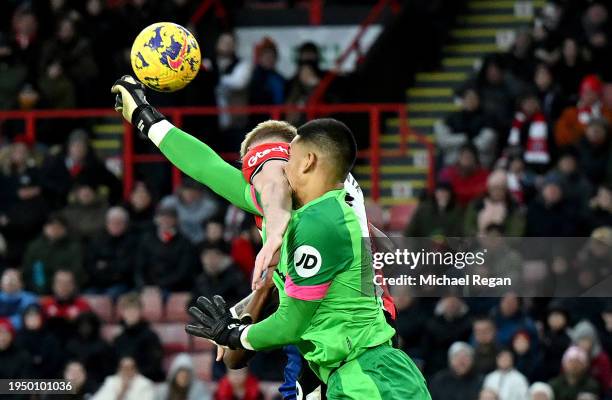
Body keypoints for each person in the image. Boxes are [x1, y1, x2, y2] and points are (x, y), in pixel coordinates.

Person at [111, 76, 398, 399]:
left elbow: (273, 184)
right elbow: (205, 166)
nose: (260, 176)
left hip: (343, 348)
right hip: (346, 338)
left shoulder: (283, 186)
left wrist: (274, 232)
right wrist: (146, 118)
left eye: (257, 167)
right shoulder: (331, 200)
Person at [185, 118, 430, 399]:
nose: (269, 173)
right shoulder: (309, 204)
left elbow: (286, 324)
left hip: (356, 351)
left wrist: (237, 328)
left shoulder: (319, 214)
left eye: (275, 160)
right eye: (254, 168)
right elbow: (206, 167)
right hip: (324, 353)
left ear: (303, 160)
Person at [135, 206, 197, 292]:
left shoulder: (184, 242)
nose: (166, 220)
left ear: (176, 220)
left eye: (170, 217)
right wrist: (143, 285)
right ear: (156, 219)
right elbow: (139, 266)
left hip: (174, 288)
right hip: (148, 286)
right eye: (162, 217)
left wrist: (160, 286)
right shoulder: (147, 239)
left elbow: (183, 271)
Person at [22, 213, 83, 294]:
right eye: (51, 226)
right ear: (45, 228)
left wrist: (61, 280)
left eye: (58, 227)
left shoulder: (73, 247)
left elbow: (77, 269)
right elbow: (28, 269)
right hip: (39, 287)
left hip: (65, 287)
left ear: (65, 229)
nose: (54, 230)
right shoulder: (35, 246)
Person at [434, 87, 496, 167]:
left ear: (479, 100)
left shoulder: (487, 118)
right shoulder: (452, 118)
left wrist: (467, 148)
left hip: (479, 161)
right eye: (468, 98)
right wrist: (464, 139)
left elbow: (485, 142)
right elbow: (443, 140)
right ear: (462, 100)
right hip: (454, 161)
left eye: (474, 98)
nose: (470, 101)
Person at [85, 206, 136, 298]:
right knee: (87, 297)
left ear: (125, 224)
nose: (115, 225)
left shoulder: (131, 242)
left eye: (119, 223)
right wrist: (109, 267)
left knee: (109, 297)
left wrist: (105, 266)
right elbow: (90, 264)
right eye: (112, 222)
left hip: (120, 284)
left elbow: (126, 267)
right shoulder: (97, 240)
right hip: (97, 283)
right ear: (107, 223)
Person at [113, 292, 164, 382]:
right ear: (123, 312)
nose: (131, 313)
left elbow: (155, 365)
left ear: (140, 311)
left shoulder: (151, 337)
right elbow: (113, 365)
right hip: (122, 381)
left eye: (134, 309)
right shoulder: (118, 340)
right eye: (127, 309)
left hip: (145, 381)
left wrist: (134, 373)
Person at [555, 74, 612, 147]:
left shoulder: (607, 112)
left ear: (598, 94)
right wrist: (585, 133)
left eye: (590, 92)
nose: (586, 95)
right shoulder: (570, 112)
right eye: (584, 91)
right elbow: (560, 137)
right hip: (577, 153)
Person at [422, 296, 472, 376]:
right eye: (448, 301)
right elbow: (426, 350)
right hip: (436, 366)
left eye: (454, 301)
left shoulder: (469, 323)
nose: (451, 304)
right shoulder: (432, 323)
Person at [159, 178, 220, 244]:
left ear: (200, 192)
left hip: (201, 242)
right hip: (175, 240)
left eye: (193, 191)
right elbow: (160, 221)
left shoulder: (209, 206)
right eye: (187, 191)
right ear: (181, 190)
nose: (190, 194)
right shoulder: (169, 202)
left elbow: (212, 226)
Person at [192, 242, 250, 307]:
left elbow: (245, 298)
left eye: (214, 257)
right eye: (207, 257)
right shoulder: (201, 280)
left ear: (221, 257)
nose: (210, 260)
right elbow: (192, 304)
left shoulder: (234, 275)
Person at [65, 311, 116, 386]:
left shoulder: (103, 346)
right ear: (77, 326)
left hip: (97, 383)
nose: (85, 328)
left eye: (89, 324)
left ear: (94, 326)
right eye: (82, 325)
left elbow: (108, 371)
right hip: (73, 384)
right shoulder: (71, 345)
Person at [40, 269, 91, 341]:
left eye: (68, 283)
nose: (63, 286)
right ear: (53, 285)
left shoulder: (83, 305)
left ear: (73, 286)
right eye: (60, 282)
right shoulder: (45, 304)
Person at [17, 304, 62, 378]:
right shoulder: (18, 338)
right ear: (24, 319)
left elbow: (55, 362)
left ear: (42, 318)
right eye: (29, 316)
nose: (33, 319)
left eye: (36, 316)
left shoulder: (51, 339)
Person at [569, 320, 612, 393]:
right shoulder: (570, 356)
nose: (584, 344)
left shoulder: (601, 358)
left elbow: (607, 382)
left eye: (587, 340)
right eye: (581, 340)